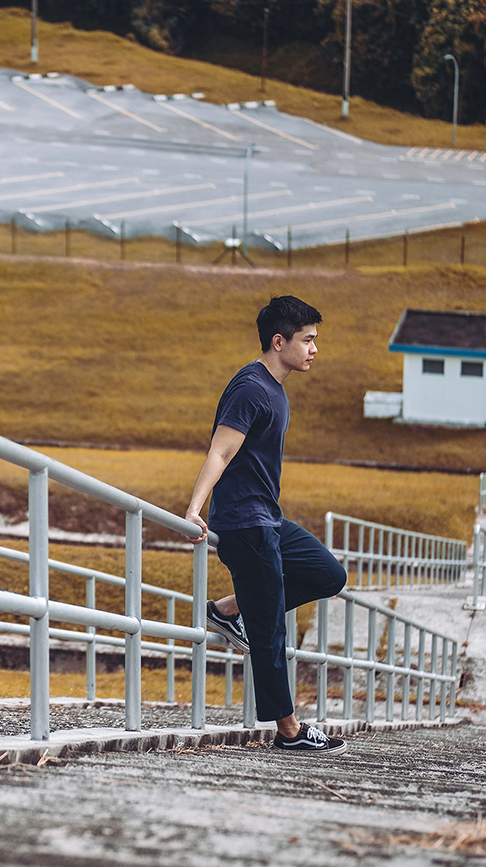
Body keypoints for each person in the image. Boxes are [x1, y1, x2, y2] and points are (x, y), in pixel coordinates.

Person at [183, 295, 349, 755]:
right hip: (243, 524)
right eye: (308, 340)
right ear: (279, 342)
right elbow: (220, 450)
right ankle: (289, 731)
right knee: (271, 627)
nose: (315, 349)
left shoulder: (276, 387)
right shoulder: (251, 388)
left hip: (268, 518)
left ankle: (234, 608)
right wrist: (195, 508)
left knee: (329, 574)